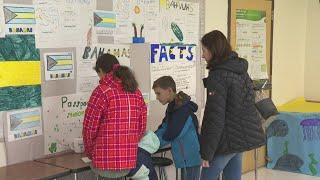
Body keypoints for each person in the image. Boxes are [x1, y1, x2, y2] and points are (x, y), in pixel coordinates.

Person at [199, 30, 265, 180]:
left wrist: (206, 153)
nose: (203, 55)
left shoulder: (218, 76)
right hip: (239, 138)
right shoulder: (240, 70)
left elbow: (215, 118)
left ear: (213, 50)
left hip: (226, 140)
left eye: (204, 50)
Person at [83, 53, 147, 179]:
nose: (99, 78)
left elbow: (89, 128)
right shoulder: (136, 92)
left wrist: (91, 153)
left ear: (101, 70)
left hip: (105, 161)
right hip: (128, 161)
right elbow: (141, 127)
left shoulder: (101, 91)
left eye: (98, 74)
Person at [153, 76, 201, 180]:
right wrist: (151, 137)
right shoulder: (173, 107)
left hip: (191, 158)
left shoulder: (182, 110)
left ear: (169, 90)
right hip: (184, 158)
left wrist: (152, 144)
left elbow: (172, 133)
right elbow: (165, 127)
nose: (157, 97)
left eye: (158, 93)